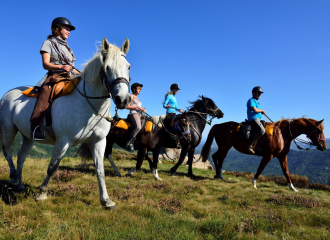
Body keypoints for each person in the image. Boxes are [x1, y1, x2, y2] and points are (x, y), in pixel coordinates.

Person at [30, 17, 79, 140]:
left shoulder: (69, 49)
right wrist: (61, 66)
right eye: (66, 28)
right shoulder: (48, 43)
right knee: (46, 91)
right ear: (57, 29)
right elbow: (45, 64)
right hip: (55, 75)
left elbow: (73, 67)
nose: (69, 31)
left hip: (70, 76)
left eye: (69, 30)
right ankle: (35, 126)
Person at [125, 83, 146, 152]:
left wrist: (143, 109)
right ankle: (129, 142)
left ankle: (138, 141)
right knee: (138, 127)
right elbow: (127, 107)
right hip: (134, 114)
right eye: (138, 88)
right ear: (134, 89)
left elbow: (139, 107)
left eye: (140, 89)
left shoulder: (138, 98)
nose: (140, 90)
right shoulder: (131, 96)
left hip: (140, 114)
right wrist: (137, 107)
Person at [245, 86, 266, 154]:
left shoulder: (256, 101)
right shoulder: (251, 100)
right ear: (253, 93)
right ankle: (249, 145)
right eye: (258, 93)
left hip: (257, 119)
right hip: (253, 119)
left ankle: (259, 146)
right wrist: (261, 110)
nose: (259, 94)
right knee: (262, 130)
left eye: (260, 93)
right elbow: (254, 109)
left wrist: (260, 111)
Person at [163, 83, 183, 149]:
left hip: (174, 113)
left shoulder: (174, 98)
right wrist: (167, 106)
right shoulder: (169, 96)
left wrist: (179, 110)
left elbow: (176, 107)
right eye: (176, 89)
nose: (177, 90)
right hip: (169, 114)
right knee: (173, 125)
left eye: (177, 89)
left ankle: (178, 141)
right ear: (173, 89)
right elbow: (164, 105)